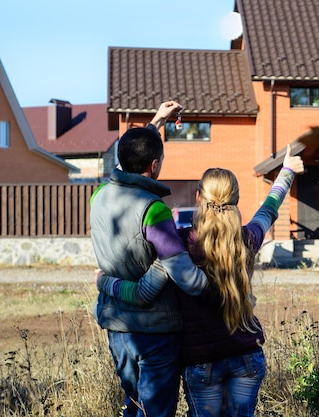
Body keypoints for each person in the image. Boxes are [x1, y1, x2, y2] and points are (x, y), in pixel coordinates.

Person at [97, 144, 305, 417]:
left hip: (202, 361)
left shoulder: (180, 244)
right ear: (236, 200)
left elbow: (145, 289)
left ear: (198, 197)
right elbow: (269, 210)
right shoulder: (246, 240)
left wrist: (105, 282)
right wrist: (287, 172)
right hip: (247, 357)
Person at [90, 100, 208, 417]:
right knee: (155, 410)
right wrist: (221, 288)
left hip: (117, 325)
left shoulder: (98, 195)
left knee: (134, 405)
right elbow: (186, 277)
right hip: (155, 332)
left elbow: (130, 159)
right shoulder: (152, 208)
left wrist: (156, 121)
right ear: (154, 166)